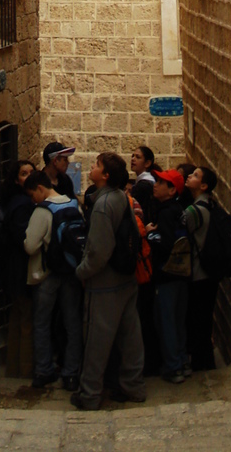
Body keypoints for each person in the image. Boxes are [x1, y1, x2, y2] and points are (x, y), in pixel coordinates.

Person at [72, 152, 146, 410]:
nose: (91, 167)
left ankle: (89, 395)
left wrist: (81, 272)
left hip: (105, 285)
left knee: (96, 340)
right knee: (131, 337)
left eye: (97, 165)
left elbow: (98, 252)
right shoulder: (122, 198)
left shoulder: (103, 206)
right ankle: (133, 386)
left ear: (104, 175)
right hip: (126, 279)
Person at [22, 169, 84, 390]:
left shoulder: (42, 210)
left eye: (32, 195)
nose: (32, 200)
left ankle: (44, 370)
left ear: (40, 188)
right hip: (71, 271)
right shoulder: (72, 203)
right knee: (72, 322)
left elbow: (30, 246)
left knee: (42, 321)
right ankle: (71, 373)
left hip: (47, 273)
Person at [148, 168, 190, 383]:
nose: (155, 185)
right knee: (178, 319)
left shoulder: (165, 212)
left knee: (166, 321)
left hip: (167, 274)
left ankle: (173, 367)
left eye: (161, 182)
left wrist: (149, 233)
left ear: (172, 189)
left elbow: (164, 244)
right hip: (182, 273)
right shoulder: (179, 210)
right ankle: (181, 360)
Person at [0, 159, 36, 378]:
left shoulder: (16, 202)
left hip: (14, 271)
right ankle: (25, 371)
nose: (29, 176)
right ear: (16, 180)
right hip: (21, 271)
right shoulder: (22, 205)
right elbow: (24, 240)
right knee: (27, 321)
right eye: (24, 173)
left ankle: (13, 367)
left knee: (17, 318)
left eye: (32, 172)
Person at [183, 165, 220, 371]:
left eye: (195, 176)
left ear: (203, 185)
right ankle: (205, 361)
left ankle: (201, 363)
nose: (189, 176)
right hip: (209, 272)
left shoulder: (193, 211)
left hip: (197, 273)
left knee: (197, 320)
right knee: (205, 320)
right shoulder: (211, 206)